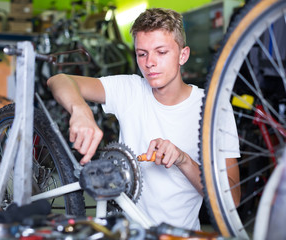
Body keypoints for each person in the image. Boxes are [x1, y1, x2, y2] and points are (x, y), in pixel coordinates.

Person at [47, 8, 240, 231]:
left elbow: (232, 199)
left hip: (179, 235)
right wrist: (80, 110)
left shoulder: (213, 109)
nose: (150, 63)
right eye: (142, 54)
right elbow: (59, 80)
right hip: (125, 231)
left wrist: (183, 160)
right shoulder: (131, 89)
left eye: (161, 52)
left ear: (183, 55)